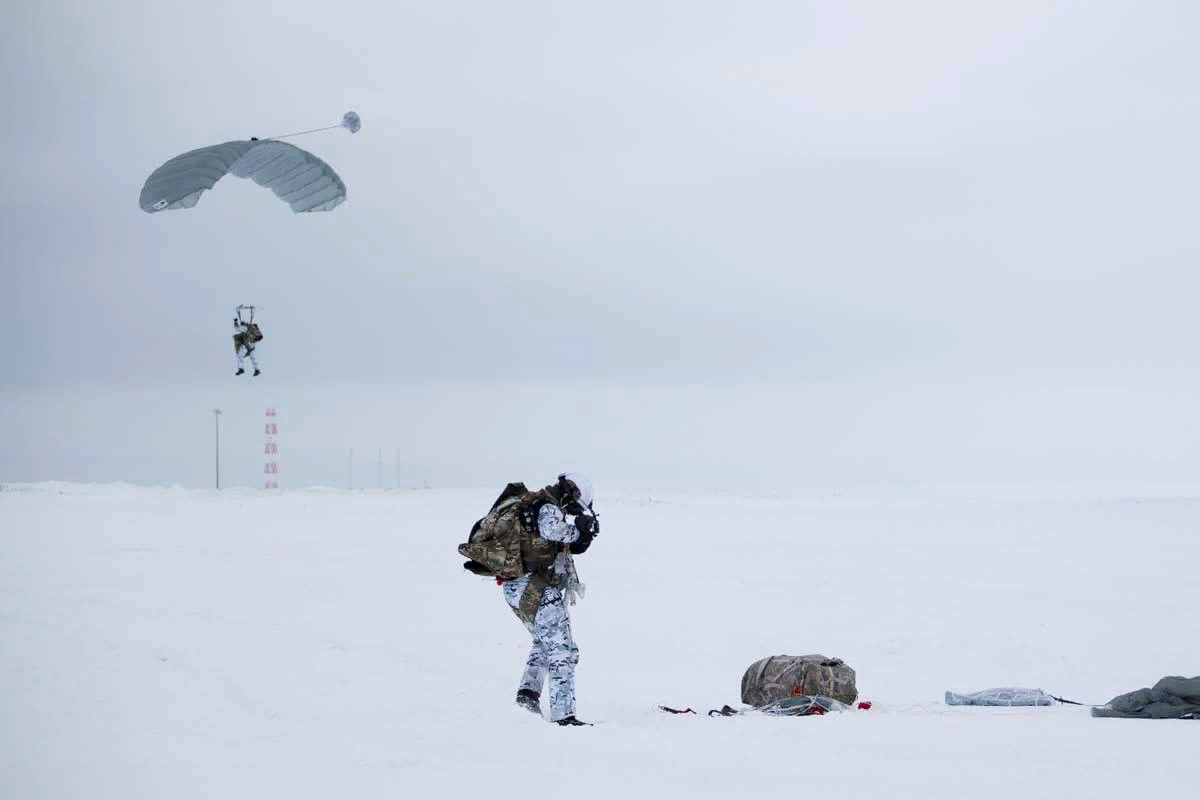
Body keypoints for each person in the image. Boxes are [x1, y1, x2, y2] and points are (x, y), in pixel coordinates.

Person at [460, 472, 599, 726]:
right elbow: (552, 529)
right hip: (534, 588)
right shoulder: (547, 507)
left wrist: (578, 538)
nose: (572, 512)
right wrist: (578, 532)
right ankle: (564, 716)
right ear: (572, 493)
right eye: (576, 506)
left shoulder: (534, 505)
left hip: (517, 588)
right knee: (562, 651)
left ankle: (527, 696)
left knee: (543, 643)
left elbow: (547, 540)